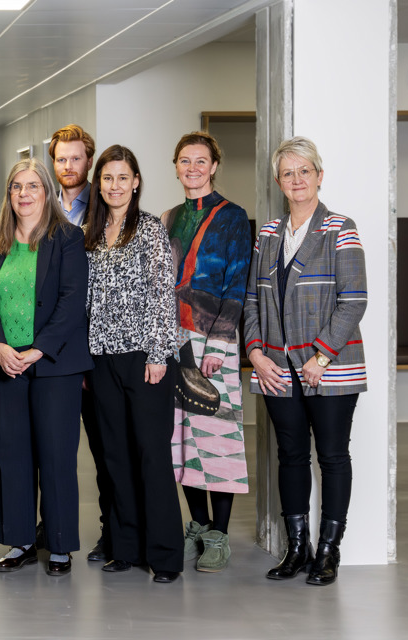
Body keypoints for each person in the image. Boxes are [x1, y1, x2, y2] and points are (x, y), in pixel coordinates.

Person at [244, 136, 367, 586]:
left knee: (332, 457)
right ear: (279, 180)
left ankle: (329, 552)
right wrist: (255, 353)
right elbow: (251, 301)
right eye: (288, 173)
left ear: (319, 175)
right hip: (276, 368)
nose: (296, 180)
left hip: (329, 368)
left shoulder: (340, 227)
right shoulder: (269, 234)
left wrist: (321, 357)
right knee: (291, 456)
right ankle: (298, 548)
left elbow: (353, 301)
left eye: (304, 171)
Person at [0, 158, 92, 577]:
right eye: (16, 187)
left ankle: (59, 544)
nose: (24, 194)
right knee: (12, 452)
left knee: (57, 453)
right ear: (9, 194)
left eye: (32, 186)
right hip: (8, 361)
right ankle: (21, 540)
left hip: (54, 363)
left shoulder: (67, 238)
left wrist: (39, 349)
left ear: (46, 191)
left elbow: (71, 300)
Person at [83, 145, 184, 584]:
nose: (115, 186)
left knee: (151, 456)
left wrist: (160, 353)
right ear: (99, 183)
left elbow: (164, 294)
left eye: (123, 178)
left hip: (146, 361)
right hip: (100, 360)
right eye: (107, 178)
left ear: (136, 181)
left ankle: (164, 554)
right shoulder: (89, 234)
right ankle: (124, 547)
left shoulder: (148, 230)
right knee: (114, 457)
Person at [161, 131, 252, 572]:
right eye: (185, 161)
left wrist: (219, 342)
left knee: (217, 439)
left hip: (216, 342)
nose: (192, 168)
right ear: (176, 167)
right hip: (175, 342)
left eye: (201, 161)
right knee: (182, 442)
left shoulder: (234, 217)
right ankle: (196, 524)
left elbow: (236, 283)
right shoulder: (169, 217)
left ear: (214, 166)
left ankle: (219, 535)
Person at [48, 123, 110, 562]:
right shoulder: (42, 205)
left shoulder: (104, 208)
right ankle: (49, 523)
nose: (68, 166)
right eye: (61, 159)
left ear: (89, 160)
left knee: (104, 446)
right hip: (55, 350)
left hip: (96, 347)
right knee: (54, 443)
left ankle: (113, 529)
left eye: (75, 158)